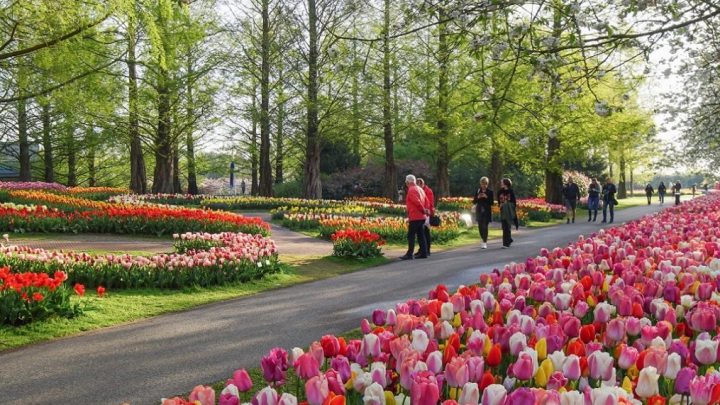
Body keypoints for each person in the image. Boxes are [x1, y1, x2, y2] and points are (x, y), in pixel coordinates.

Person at [400, 175, 428, 260]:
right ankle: (424, 252)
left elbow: (417, 202)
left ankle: (409, 253)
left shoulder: (411, 190)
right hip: (422, 216)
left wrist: (423, 210)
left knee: (411, 235)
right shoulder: (420, 189)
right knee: (421, 235)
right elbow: (426, 201)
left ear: (408, 182)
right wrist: (425, 211)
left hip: (415, 215)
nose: (406, 184)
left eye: (406, 182)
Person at [472, 177, 494, 249]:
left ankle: (484, 242)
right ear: (480, 184)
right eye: (482, 184)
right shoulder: (478, 191)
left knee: (485, 226)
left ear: (487, 184)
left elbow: (492, 203)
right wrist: (478, 197)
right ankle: (482, 238)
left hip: (487, 211)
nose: (484, 185)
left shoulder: (490, 192)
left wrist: (486, 197)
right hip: (479, 210)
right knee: (480, 226)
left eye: (485, 184)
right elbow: (474, 201)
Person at [416, 178, 434, 257]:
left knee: (426, 232)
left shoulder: (428, 191)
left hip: (426, 213)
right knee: (421, 233)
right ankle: (422, 249)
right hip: (421, 213)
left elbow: (429, 203)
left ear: (422, 184)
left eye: (419, 184)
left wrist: (426, 212)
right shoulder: (419, 190)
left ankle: (427, 250)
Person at [497, 178, 517, 248]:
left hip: (508, 211)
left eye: (502, 182)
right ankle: (509, 239)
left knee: (507, 227)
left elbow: (514, 202)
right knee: (504, 226)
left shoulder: (511, 191)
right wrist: (500, 205)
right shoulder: (500, 191)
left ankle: (506, 244)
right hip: (502, 210)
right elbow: (499, 201)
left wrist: (508, 205)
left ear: (505, 183)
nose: (501, 183)